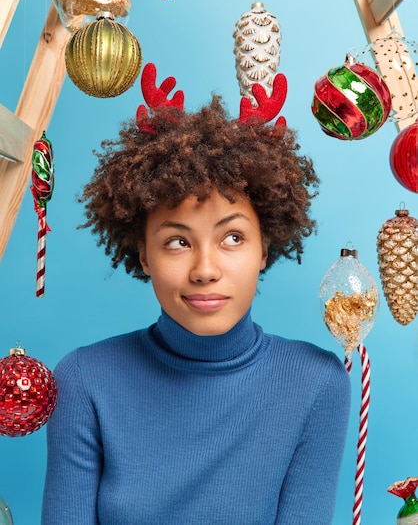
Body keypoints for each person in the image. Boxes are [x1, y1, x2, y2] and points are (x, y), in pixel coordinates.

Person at [42, 69, 351, 524]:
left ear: (264, 248)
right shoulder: (83, 380)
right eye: (177, 242)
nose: (205, 270)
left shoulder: (317, 384)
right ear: (143, 254)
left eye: (232, 239)